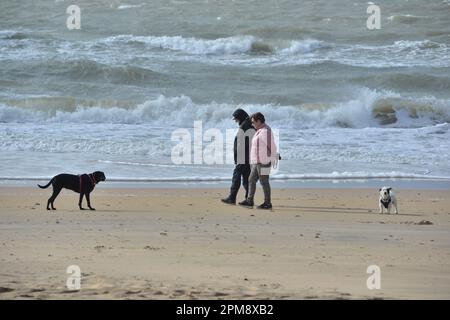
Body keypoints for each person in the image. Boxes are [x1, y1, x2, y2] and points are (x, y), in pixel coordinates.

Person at [239, 112, 277, 209]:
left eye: (253, 122)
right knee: (251, 180)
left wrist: (272, 159)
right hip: (256, 162)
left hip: (264, 161)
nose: (252, 124)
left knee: (264, 181)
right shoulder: (259, 130)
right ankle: (249, 200)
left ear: (259, 121)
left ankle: (267, 203)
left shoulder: (266, 131)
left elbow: (272, 146)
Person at [221, 109, 254, 205]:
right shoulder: (249, 124)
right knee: (246, 178)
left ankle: (232, 198)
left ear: (240, 117)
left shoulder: (245, 126)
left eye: (236, 119)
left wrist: (238, 158)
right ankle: (249, 199)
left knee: (236, 177)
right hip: (248, 157)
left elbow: (241, 144)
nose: (235, 121)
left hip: (243, 157)